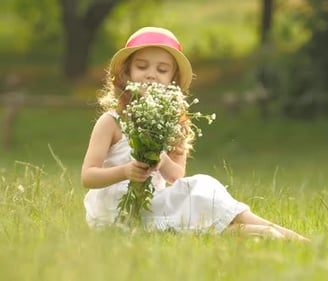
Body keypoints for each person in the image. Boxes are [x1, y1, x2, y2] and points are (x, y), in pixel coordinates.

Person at [81, 26, 308, 241]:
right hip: (115, 214)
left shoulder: (172, 124)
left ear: (173, 80)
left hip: (154, 203)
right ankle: (272, 234)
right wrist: (125, 171)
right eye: (142, 67)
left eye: (162, 70)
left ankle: (286, 235)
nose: (151, 75)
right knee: (203, 214)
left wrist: (160, 157)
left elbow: (176, 177)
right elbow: (88, 176)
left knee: (203, 188)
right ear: (126, 73)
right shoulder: (112, 122)